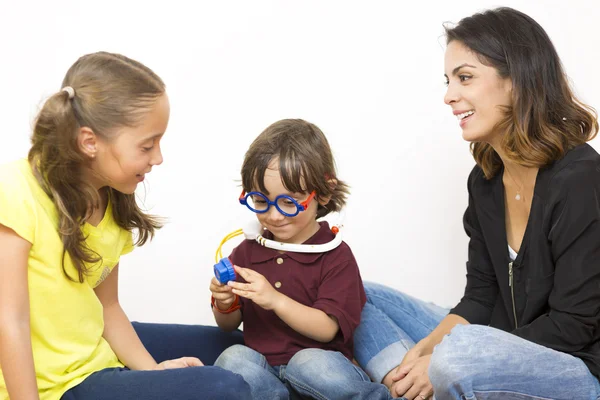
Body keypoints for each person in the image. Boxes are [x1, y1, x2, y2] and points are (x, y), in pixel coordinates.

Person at [353, 7, 600, 400]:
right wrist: (423, 353)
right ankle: (406, 386)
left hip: (573, 365)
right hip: (490, 343)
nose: (450, 95)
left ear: (517, 80)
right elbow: (481, 296)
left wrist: (446, 357)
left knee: (459, 357)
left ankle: (433, 381)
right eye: (449, 80)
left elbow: (574, 326)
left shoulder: (582, 179)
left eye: (465, 77)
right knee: (357, 295)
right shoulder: (485, 181)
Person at [0, 51, 251, 400]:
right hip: (56, 386)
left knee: (238, 347)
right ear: (90, 142)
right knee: (226, 386)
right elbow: (9, 321)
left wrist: (152, 373)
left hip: (94, 349)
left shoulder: (111, 198)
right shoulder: (14, 191)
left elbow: (108, 307)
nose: (158, 157)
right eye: (147, 145)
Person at [210, 119, 392, 399]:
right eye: (260, 200)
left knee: (308, 364)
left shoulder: (334, 256)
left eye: (289, 202)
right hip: (267, 376)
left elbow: (327, 329)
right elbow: (228, 326)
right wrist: (225, 304)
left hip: (319, 369)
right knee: (232, 358)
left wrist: (275, 300)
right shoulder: (247, 251)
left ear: (325, 192)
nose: (274, 215)